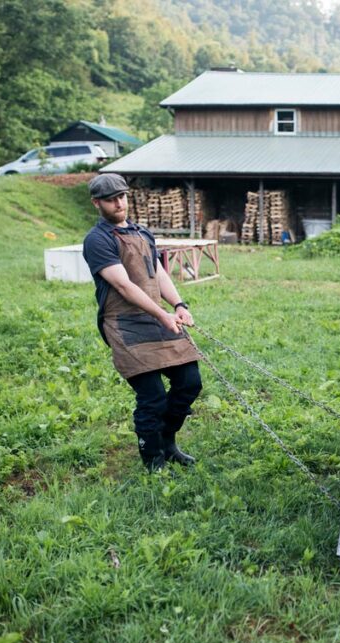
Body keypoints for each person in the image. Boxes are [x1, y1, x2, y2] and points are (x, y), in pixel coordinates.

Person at [82, 173, 203, 472]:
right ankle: (153, 461)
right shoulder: (97, 240)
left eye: (122, 196)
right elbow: (123, 286)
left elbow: (158, 273)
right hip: (125, 324)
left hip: (156, 317)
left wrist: (178, 304)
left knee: (190, 382)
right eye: (111, 199)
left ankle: (168, 441)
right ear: (97, 203)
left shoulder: (142, 233)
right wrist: (162, 314)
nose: (119, 203)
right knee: (153, 397)